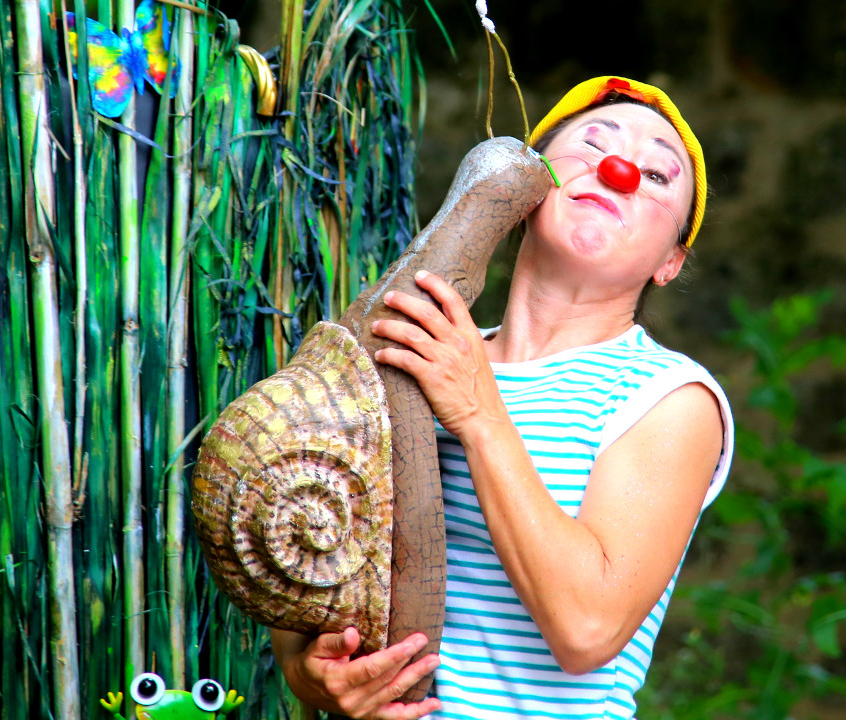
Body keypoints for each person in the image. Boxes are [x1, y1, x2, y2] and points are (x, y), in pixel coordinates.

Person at [272, 76, 735, 720]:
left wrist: (477, 411)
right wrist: (307, 669)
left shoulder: (670, 399)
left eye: (657, 176)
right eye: (593, 144)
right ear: (529, 190)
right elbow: (310, 552)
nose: (619, 170)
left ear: (671, 262)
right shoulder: (421, 350)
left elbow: (586, 629)